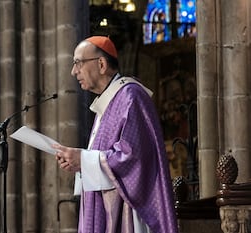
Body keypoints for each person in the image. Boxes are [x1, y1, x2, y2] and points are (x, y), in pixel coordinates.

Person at [52, 36, 178, 233]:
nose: (73, 71)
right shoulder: (108, 103)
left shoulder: (130, 96)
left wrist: (84, 159)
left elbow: (132, 156)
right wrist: (79, 163)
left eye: (78, 63)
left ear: (101, 64)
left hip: (127, 212)